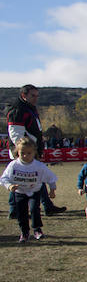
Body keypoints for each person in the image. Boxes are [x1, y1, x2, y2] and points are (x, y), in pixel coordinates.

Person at [6, 83, 66, 218]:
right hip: (24, 152)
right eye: (33, 95)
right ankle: (14, 210)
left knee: (38, 176)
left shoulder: (29, 109)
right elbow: (15, 134)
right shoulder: (18, 110)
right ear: (24, 95)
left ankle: (47, 206)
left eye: (37, 96)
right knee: (19, 179)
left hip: (31, 151)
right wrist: (23, 153)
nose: (36, 98)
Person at [1, 137, 58, 242]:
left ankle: (37, 230)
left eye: (29, 153)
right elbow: (4, 178)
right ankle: (24, 232)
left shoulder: (38, 166)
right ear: (17, 152)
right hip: (20, 192)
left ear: (34, 152)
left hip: (34, 192)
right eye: (22, 153)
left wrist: (52, 190)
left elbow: (50, 177)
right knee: (21, 213)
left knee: (34, 209)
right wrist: (9, 186)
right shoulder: (13, 165)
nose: (25, 156)